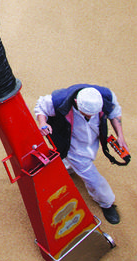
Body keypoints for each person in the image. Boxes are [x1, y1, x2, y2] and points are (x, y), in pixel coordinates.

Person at [34, 84, 129, 224]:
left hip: (92, 141)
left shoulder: (106, 96)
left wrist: (120, 136)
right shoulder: (59, 99)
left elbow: (115, 113)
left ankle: (66, 168)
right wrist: (43, 123)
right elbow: (41, 107)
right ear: (76, 102)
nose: (90, 116)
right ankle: (107, 202)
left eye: (93, 114)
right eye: (86, 114)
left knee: (69, 161)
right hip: (72, 144)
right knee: (93, 179)